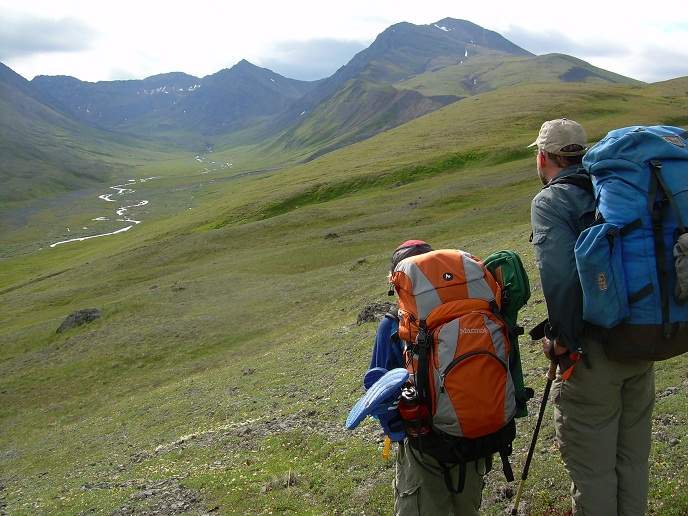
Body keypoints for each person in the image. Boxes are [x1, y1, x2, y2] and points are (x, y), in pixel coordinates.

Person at [529, 119, 655, 515]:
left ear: (544, 157)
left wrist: (563, 339)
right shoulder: (614, 189)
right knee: (632, 463)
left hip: (593, 352)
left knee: (594, 474)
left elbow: (561, 278)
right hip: (641, 341)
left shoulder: (550, 201)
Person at [369, 239, 489, 516]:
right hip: (473, 431)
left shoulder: (393, 323)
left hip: (422, 442)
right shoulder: (473, 310)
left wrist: (396, 430)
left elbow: (379, 389)